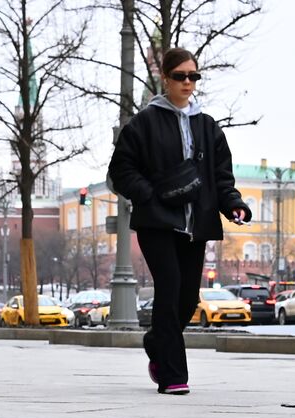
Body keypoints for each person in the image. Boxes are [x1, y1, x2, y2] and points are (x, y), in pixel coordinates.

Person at [108, 48, 250, 395]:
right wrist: (147, 195)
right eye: (180, 76)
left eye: (193, 76)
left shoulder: (208, 126)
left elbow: (221, 176)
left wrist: (234, 205)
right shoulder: (144, 123)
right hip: (157, 222)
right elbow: (120, 171)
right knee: (169, 289)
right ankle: (172, 375)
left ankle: (157, 342)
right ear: (165, 79)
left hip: (194, 225)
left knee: (187, 299)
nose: (188, 83)